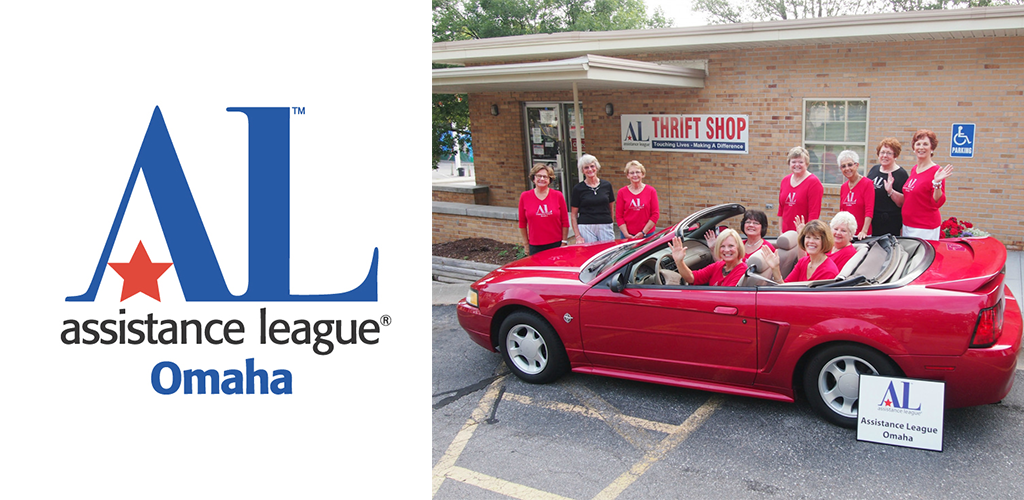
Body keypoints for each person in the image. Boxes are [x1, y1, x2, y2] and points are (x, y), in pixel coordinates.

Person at [902, 129, 954, 239]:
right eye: (918, 144)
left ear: (932, 148)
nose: (921, 147)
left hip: (924, 228)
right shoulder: (914, 169)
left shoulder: (936, 171)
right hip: (908, 225)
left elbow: (937, 202)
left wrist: (937, 183)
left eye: (925, 144)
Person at [762, 219, 838, 283]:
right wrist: (775, 268)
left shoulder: (829, 271)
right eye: (808, 237)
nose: (811, 241)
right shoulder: (803, 262)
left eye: (816, 238)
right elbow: (784, 288)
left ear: (824, 241)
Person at [518, 163, 569, 255]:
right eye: (539, 176)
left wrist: (564, 241)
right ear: (533, 178)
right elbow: (522, 223)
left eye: (545, 177)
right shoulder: (525, 196)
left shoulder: (558, 196)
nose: (542, 179)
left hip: (556, 244)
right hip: (535, 245)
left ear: (550, 180)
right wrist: (526, 244)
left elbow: (565, 221)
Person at [668, 229, 748, 286]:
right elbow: (692, 278)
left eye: (731, 246)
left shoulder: (742, 269)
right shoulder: (718, 266)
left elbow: (726, 296)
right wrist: (679, 261)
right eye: (722, 246)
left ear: (739, 247)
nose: (726, 250)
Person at [865, 138, 908, 238]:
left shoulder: (901, 174)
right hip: (873, 221)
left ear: (895, 155)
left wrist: (891, 191)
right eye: (882, 152)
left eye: (889, 153)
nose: (884, 156)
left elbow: (903, 202)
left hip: (890, 223)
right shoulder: (874, 169)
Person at [571, 154, 616, 244]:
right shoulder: (578, 188)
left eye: (592, 166)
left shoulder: (606, 185)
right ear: (582, 170)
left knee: (608, 253)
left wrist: (609, 223)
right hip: (586, 226)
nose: (590, 169)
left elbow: (611, 208)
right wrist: (577, 235)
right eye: (586, 167)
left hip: (605, 225)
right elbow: (573, 215)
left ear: (596, 167)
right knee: (590, 253)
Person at [778, 146, 823, 233]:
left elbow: (814, 214)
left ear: (806, 163)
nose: (797, 165)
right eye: (793, 162)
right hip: (786, 234)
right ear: (789, 163)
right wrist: (781, 231)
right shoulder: (785, 181)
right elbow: (781, 210)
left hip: (803, 234)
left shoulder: (814, 183)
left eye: (801, 162)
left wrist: (807, 235)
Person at [615, 160, 659, 239]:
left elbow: (655, 214)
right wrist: (626, 234)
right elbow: (619, 216)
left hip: (647, 234)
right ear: (627, 175)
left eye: (638, 172)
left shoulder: (651, 191)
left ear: (642, 174)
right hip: (627, 235)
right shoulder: (622, 192)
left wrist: (643, 232)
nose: (635, 175)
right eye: (632, 173)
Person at [837, 150, 874, 240]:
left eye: (850, 165)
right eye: (843, 166)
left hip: (862, 235)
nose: (847, 168)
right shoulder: (843, 187)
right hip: (847, 235)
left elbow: (869, 210)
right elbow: (842, 211)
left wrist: (864, 231)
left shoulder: (867, 184)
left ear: (856, 165)